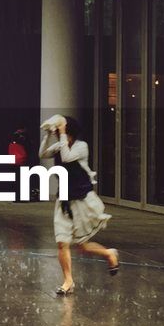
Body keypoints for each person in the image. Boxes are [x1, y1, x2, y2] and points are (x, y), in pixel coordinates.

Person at [39, 115, 118, 295]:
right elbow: (42, 154)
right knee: (62, 242)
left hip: (81, 200)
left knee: (82, 244)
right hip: (64, 200)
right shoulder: (60, 145)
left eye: (62, 129)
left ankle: (109, 253)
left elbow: (66, 158)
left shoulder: (81, 147)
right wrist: (47, 136)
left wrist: (62, 133)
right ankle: (68, 281)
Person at [8, 126, 30, 200]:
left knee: (17, 180)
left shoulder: (13, 140)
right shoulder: (21, 139)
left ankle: (17, 197)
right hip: (20, 161)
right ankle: (20, 197)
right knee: (21, 180)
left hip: (15, 161)